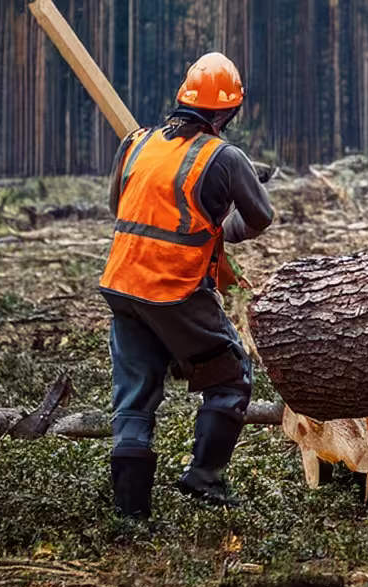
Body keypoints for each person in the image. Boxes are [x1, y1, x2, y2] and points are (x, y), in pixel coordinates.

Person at [101, 52, 276, 519]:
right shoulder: (226, 156)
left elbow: (120, 204)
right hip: (174, 290)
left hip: (121, 284)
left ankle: (131, 518)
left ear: (184, 98)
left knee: (134, 398)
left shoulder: (136, 142)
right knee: (231, 375)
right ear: (226, 112)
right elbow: (260, 217)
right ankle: (203, 476)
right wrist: (221, 223)